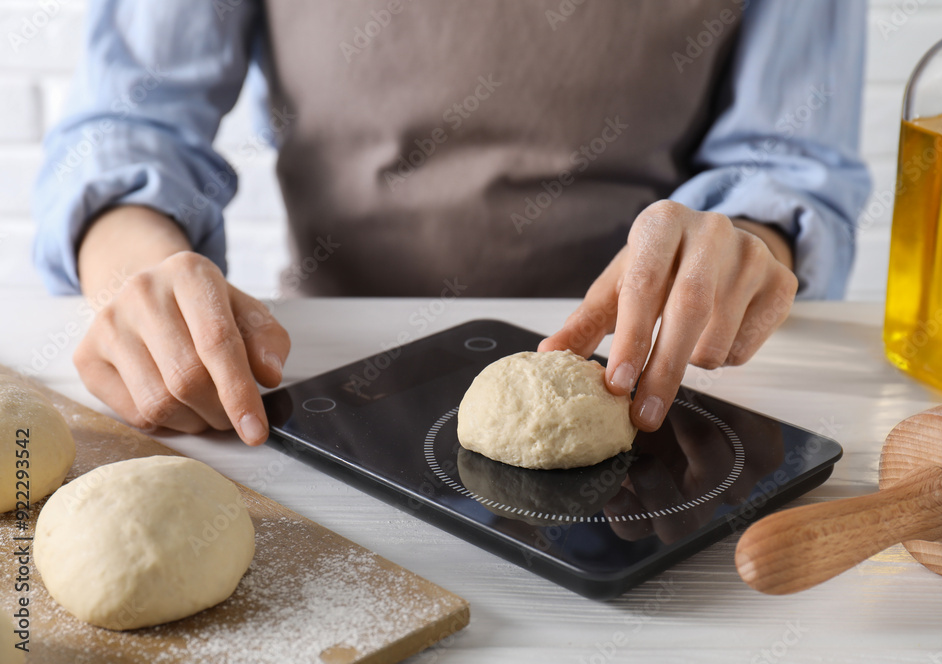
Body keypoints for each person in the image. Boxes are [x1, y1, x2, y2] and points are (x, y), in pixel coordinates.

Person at [33, 0, 871, 446]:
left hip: (643, 375)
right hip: (324, 374)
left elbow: (790, 161)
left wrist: (748, 242)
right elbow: (129, 124)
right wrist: (134, 270)